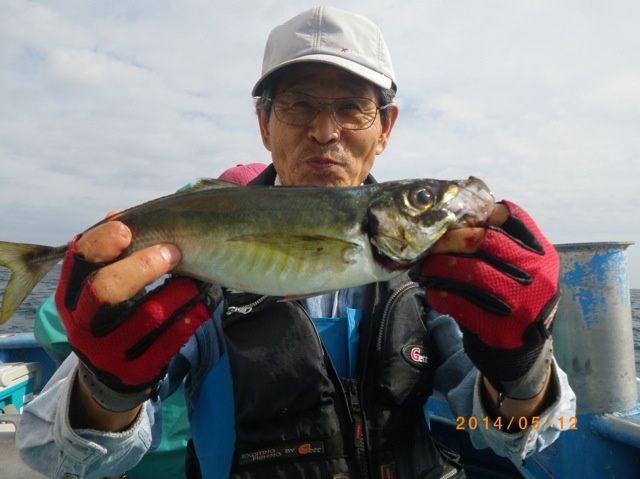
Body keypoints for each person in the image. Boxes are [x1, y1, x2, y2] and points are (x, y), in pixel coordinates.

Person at [18, 6, 576, 479]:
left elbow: (525, 437)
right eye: (300, 105)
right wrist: (106, 390)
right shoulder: (191, 261)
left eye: (352, 108)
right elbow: (48, 450)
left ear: (385, 128)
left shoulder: (434, 272)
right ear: (265, 125)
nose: (325, 131)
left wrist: (523, 368)